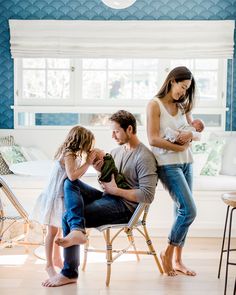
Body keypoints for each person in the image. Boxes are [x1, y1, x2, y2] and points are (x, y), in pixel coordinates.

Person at [42, 110, 158, 287]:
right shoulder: (117, 151)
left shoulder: (144, 157)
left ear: (129, 129)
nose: (112, 136)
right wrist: (99, 169)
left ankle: (69, 272)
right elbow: (110, 179)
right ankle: (77, 232)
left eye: (116, 131)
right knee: (69, 181)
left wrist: (116, 190)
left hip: (124, 207)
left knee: (68, 216)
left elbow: (147, 195)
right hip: (109, 197)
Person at [146, 66, 197, 277]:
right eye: (182, 87)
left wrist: (191, 134)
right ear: (172, 81)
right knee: (189, 210)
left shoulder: (183, 106)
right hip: (168, 165)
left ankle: (177, 260)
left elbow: (191, 129)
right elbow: (152, 139)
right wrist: (179, 146)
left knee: (180, 211)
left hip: (187, 162)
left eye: (186, 89)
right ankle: (167, 253)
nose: (183, 92)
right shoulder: (154, 104)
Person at [32, 125, 96, 279]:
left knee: (58, 232)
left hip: (60, 197)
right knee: (52, 233)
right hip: (55, 198)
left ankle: (57, 259)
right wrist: (87, 163)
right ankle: (48, 265)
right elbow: (73, 176)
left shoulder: (72, 154)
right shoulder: (69, 154)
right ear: (82, 141)